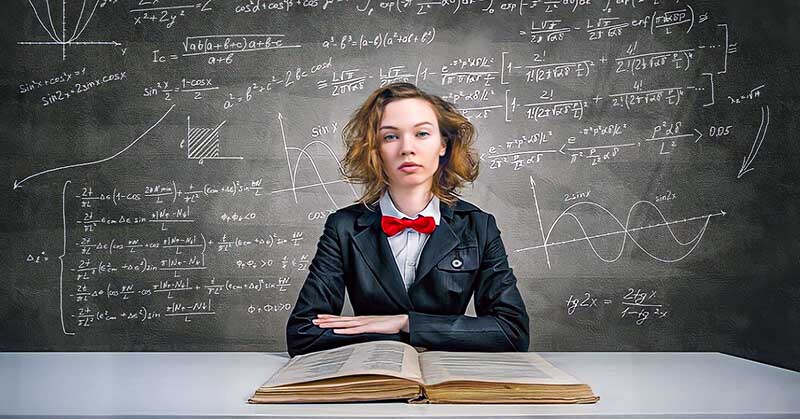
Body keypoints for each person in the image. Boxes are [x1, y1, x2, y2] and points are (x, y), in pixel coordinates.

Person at [285, 82, 529, 357]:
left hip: (448, 382)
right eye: (390, 137)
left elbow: (512, 332)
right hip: (374, 377)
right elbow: (303, 333)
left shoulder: (479, 227)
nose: (407, 148)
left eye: (422, 133)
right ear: (375, 149)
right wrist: (396, 334)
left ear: (442, 145)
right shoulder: (342, 227)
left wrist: (406, 322)